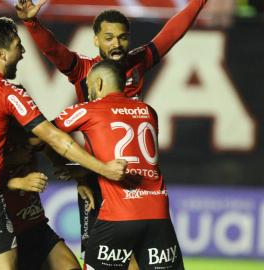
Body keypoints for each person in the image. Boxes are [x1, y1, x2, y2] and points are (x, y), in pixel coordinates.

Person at [0, 17, 126, 270]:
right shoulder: (6, 92)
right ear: (2, 53)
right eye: (18, 46)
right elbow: (54, 136)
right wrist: (103, 169)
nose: (23, 52)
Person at [15, 0, 207, 264]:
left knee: (138, 257)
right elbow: (54, 51)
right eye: (108, 38)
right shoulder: (85, 70)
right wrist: (32, 24)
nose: (116, 44)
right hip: (98, 177)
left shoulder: (138, 62)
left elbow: (172, 32)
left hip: (134, 178)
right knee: (100, 255)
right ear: (95, 40)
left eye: (122, 37)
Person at [54, 60, 184, 270]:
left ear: (99, 83)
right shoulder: (148, 111)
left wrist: (68, 167)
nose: (89, 91)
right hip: (158, 215)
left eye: (89, 84)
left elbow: (45, 135)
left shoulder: (89, 110)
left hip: (119, 215)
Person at [0, 44, 81, 270]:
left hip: (31, 225)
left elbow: (44, 140)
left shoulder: (15, 106)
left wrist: (67, 168)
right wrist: (17, 182)